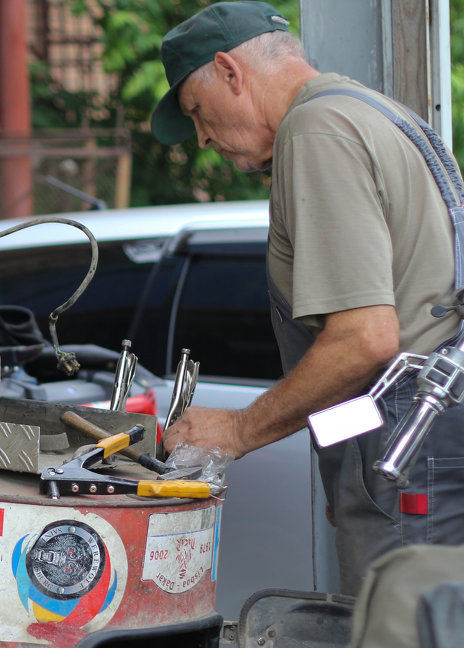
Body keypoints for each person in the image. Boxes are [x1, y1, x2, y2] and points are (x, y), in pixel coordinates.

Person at [151, 1, 464, 595]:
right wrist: (349, 468)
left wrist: (238, 429)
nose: (203, 136)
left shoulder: (316, 129)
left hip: (414, 443)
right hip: (419, 437)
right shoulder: (376, 113)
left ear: (229, 72)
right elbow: (386, 369)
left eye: (197, 111)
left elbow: (367, 340)